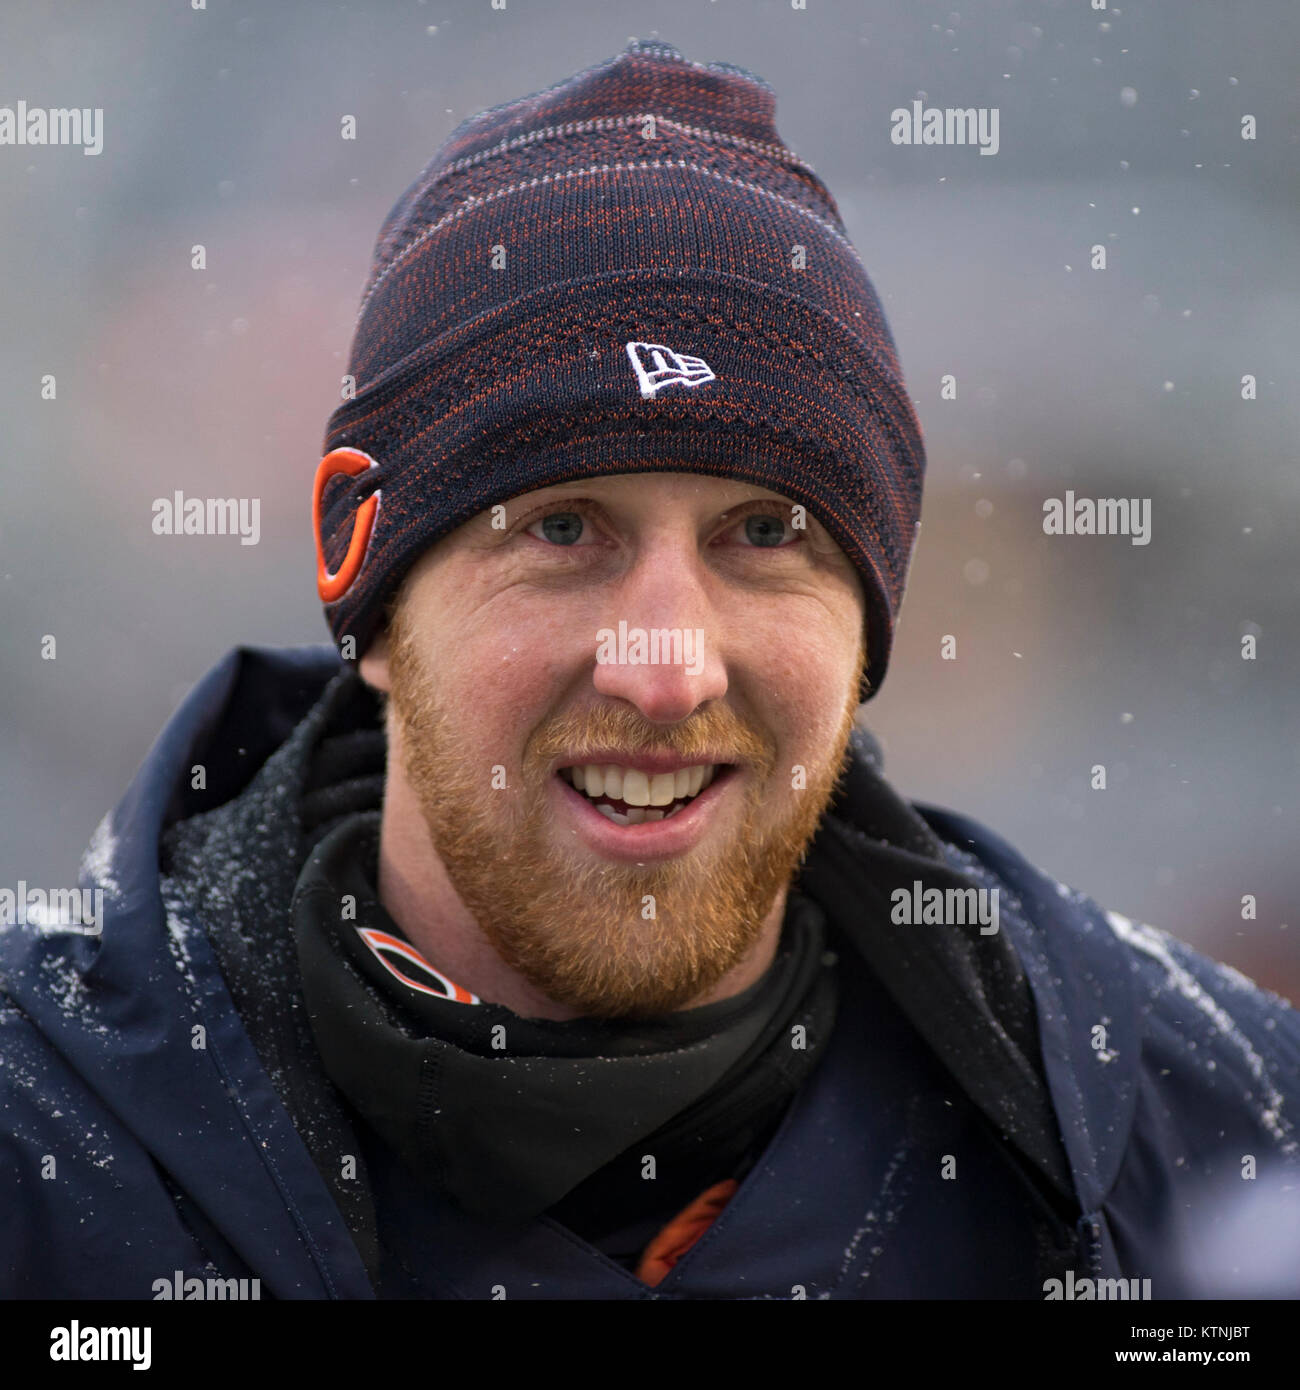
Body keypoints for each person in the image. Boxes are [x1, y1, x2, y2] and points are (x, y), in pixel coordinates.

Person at [2, 38, 1296, 1302]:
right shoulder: (45, 1144)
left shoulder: (1203, 1139)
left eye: (765, 534)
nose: (667, 669)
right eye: (563, 528)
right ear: (368, 583)